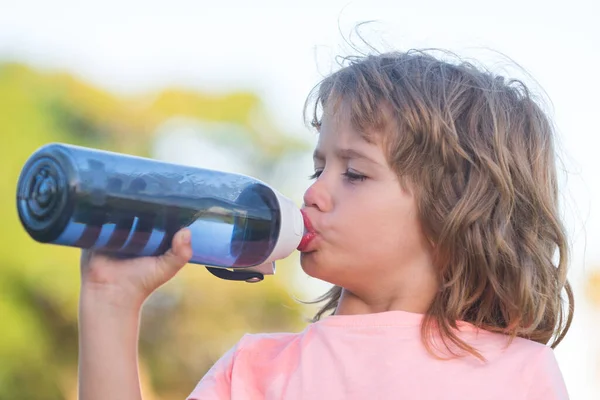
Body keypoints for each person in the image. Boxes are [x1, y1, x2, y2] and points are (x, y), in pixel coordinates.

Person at [77, 48, 574, 400]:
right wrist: (109, 303)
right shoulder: (255, 370)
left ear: (457, 214)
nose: (313, 192)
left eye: (354, 173)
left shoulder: (517, 374)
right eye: (319, 168)